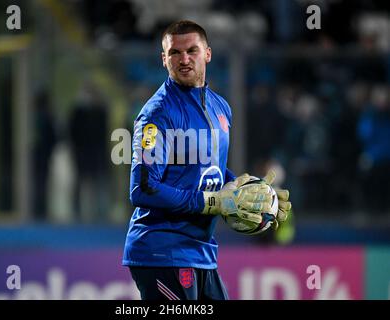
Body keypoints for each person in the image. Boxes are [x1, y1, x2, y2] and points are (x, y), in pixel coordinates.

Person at [122, 20, 291, 300]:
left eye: (192, 50)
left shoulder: (220, 107)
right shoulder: (157, 114)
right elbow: (143, 189)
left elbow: (206, 167)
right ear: (164, 60)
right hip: (163, 252)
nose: (184, 59)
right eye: (175, 53)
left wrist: (249, 192)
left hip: (202, 253)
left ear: (208, 53)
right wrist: (212, 202)